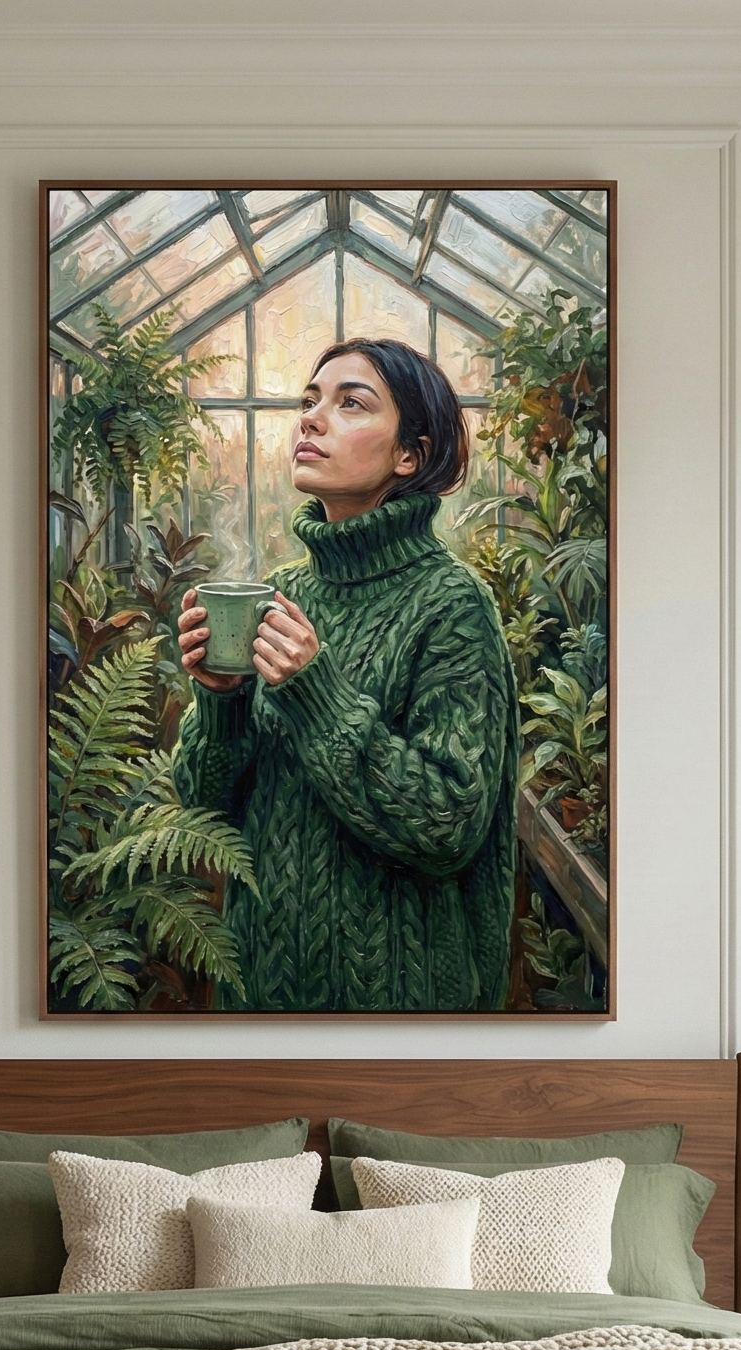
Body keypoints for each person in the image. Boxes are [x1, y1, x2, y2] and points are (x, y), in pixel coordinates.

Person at [174, 337, 517, 1011]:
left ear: (410, 455)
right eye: (309, 400)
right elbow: (205, 809)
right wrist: (221, 699)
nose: (311, 417)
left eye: (350, 403)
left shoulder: (453, 606)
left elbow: (447, 827)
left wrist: (316, 694)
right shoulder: (280, 594)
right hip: (255, 1005)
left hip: (400, 1015)